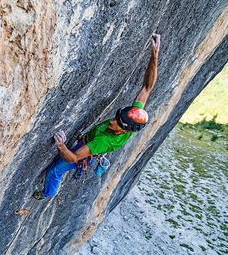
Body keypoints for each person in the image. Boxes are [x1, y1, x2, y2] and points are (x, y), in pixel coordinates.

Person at [33, 34, 161, 200]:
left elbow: (74, 157)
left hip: (87, 149)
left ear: (124, 131)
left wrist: (61, 146)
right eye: (116, 117)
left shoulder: (103, 141)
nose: (112, 121)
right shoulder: (131, 118)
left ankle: (46, 193)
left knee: (54, 172)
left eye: (117, 124)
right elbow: (147, 87)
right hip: (90, 143)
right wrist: (154, 55)